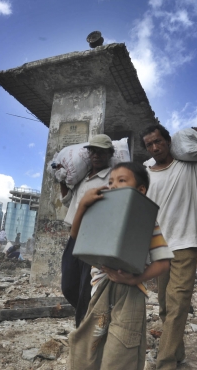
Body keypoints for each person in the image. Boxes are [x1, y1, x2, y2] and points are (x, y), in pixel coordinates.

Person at [68, 162, 173, 370]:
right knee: (91, 346)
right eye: (110, 182)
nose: (113, 185)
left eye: (122, 181)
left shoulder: (146, 221)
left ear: (140, 190)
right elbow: (76, 237)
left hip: (130, 293)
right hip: (99, 290)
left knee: (122, 350)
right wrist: (82, 206)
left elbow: (163, 263)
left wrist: (134, 279)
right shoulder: (101, 215)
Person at [140, 124, 197, 369]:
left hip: (185, 244)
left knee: (178, 304)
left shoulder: (188, 165)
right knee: (165, 307)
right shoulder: (145, 171)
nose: (155, 147)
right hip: (158, 246)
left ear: (168, 141)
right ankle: (177, 355)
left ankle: (165, 363)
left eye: (158, 141)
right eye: (149, 144)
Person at [60, 134, 115, 327]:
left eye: (101, 152)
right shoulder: (82, 178)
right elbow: (68, 201)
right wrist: (61, 180)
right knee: (68, 285)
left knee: (85, 286)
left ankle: (83, 326)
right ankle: (89, 315)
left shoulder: (112, 178)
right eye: (93, 151)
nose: (96, 155)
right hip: (74, 236)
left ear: (110, 154)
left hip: (93, 239)